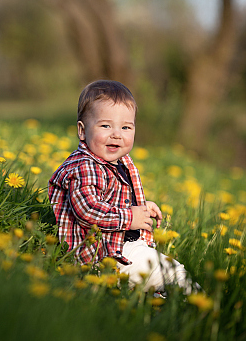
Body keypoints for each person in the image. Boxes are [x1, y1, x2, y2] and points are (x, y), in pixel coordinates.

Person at [49, 80, 196, 294]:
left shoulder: (119, 161)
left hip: (120, 248)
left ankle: (164, 306)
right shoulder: (84, 166)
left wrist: (141, 207)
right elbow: (87, 210)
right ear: (82, 130)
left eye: (126, 127)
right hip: (103, 256)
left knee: (165, 279)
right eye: (106, 126)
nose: (116, 134)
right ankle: (203, 312)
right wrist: (130, 217)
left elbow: (112, 199)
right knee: (173, 273)